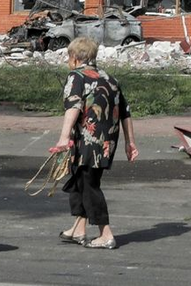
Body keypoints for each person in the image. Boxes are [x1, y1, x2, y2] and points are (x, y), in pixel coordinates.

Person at [48, 36, 139, 250]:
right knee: (81, 180)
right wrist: (130, 143)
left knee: (89, 185)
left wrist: (63, 138)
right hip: (107, 142)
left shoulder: (77, 76)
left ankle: (106, 234)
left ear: (74, 58)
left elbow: (73, 107)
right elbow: (125, 113)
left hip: (87, 141)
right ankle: (78, 229)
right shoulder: (110, 78)